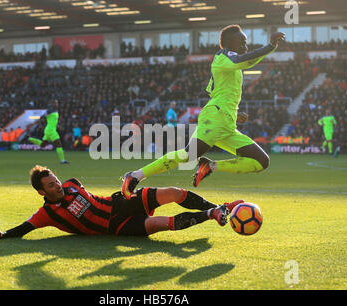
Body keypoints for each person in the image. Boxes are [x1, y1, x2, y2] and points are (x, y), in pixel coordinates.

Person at [121, 25, 285, 199]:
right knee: (188, 155)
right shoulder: (222, 56)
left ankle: (210, 166)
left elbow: (213, 91)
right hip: (216, 119)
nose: (246, 45)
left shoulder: (230, 66)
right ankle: (136, 175)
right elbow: (244, 60)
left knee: (261, 161)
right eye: (242, 41)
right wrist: (270, 46)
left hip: (226, 123)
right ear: (229, 43)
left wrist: (234, 114)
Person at [0, 165, 244, 239]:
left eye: (56, 181)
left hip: (120, 203)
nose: (57, 185)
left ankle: (221, 207)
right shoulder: (47, 214)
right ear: (42, 192)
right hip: (116, 227)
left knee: (174, 192)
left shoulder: (72, 183)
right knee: (163, 224)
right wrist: (2, 235)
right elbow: (24, 228)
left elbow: (82, 192)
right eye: (50, 185)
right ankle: (213, 213)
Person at [28, 99, 69, 164]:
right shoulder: (49, 110)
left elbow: (53, 121)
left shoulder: (55, 111)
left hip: (50, 129)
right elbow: (42, 116)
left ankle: (30, 139)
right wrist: (40, 123)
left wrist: (58, 126)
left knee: (43, 145)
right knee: (58, 144)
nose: (56, 104)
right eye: (55, 103)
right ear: (52, 104)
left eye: (57, 103)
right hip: (51, 130)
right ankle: (62, 160)